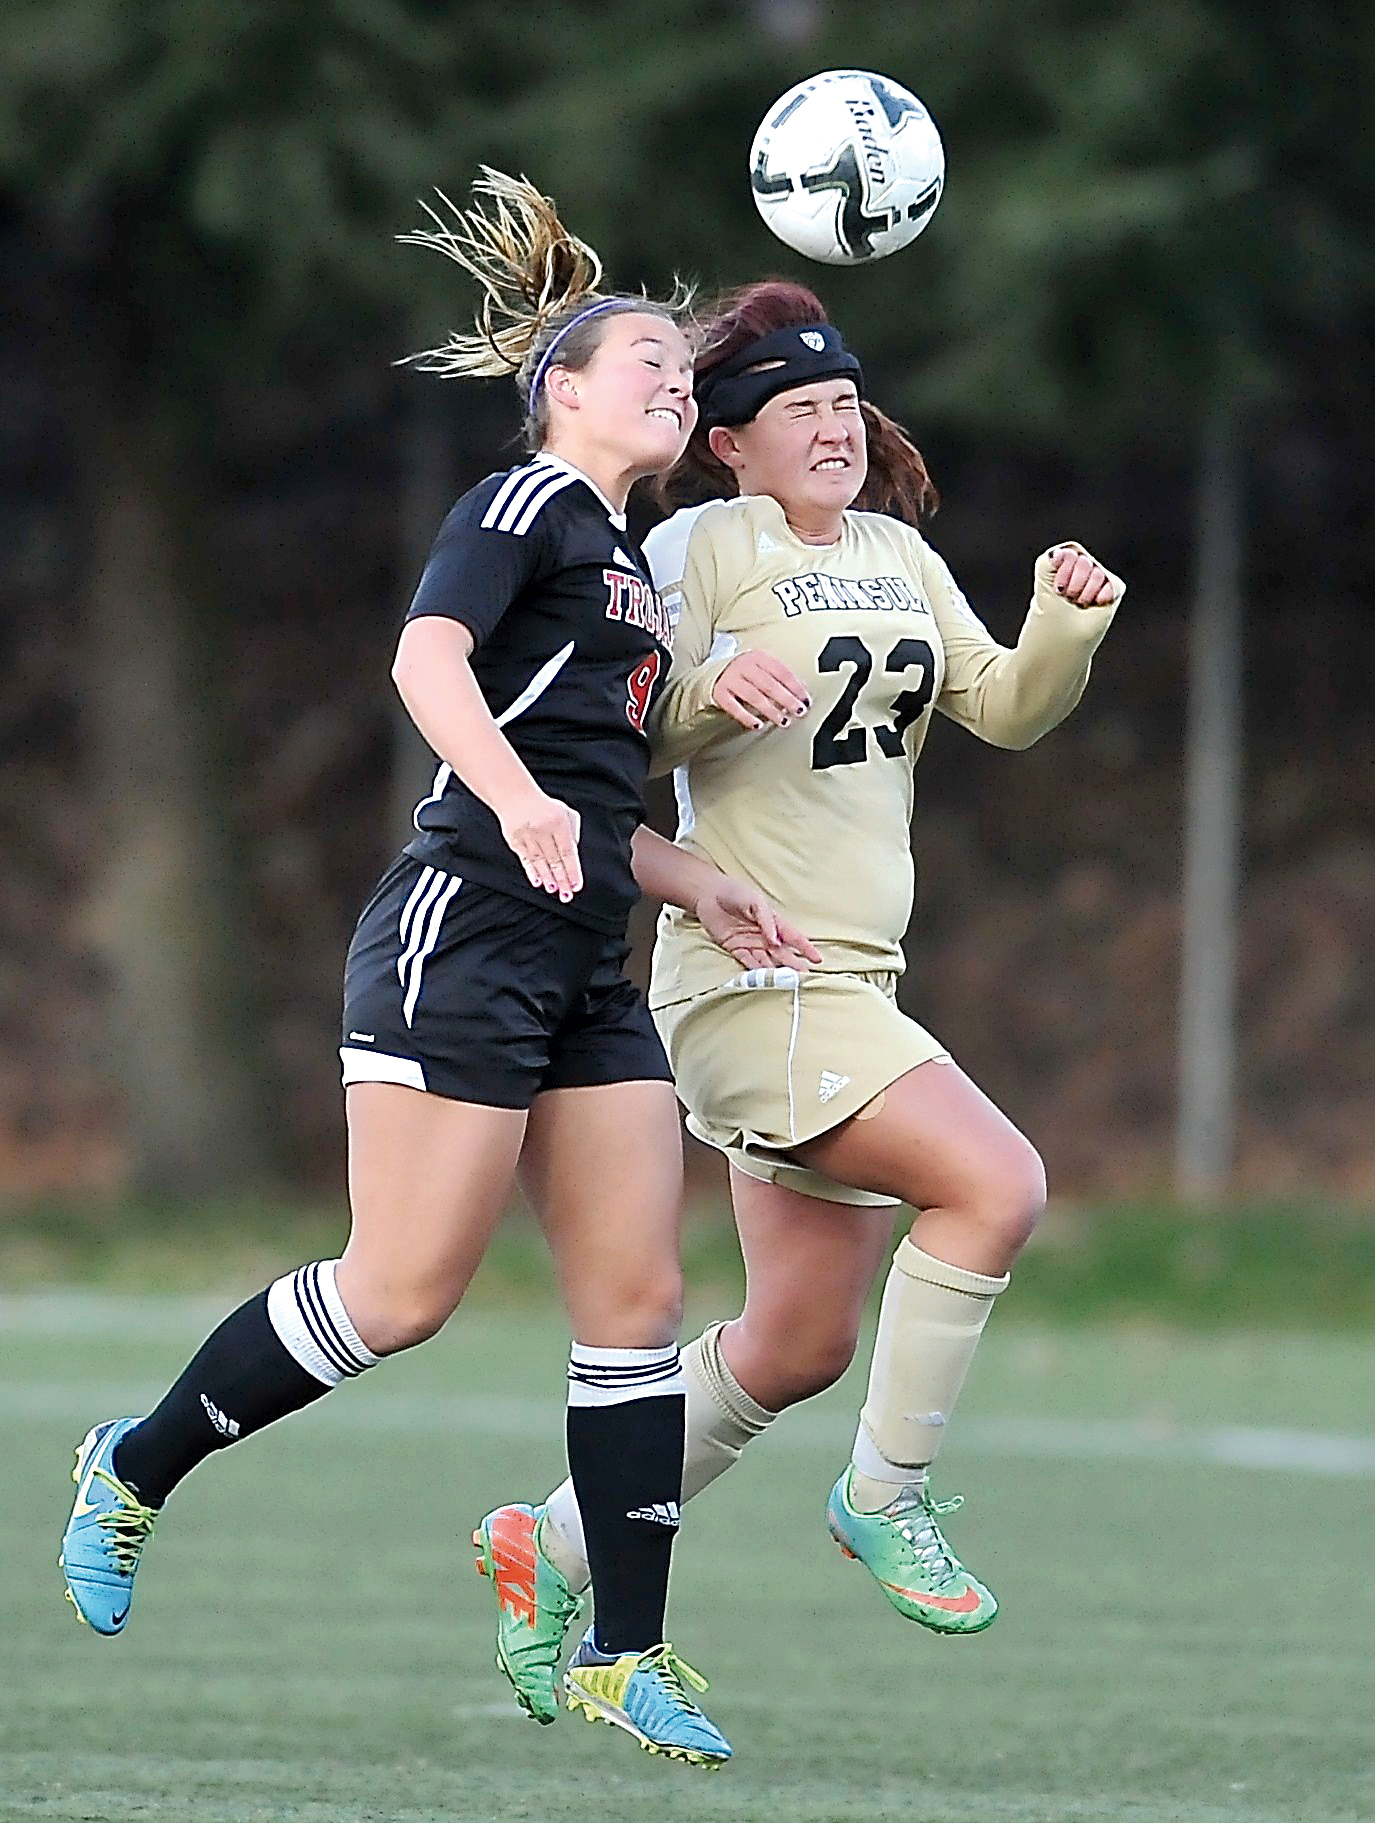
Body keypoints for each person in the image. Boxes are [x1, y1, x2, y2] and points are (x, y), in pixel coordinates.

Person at [57, 178, 816, 1772]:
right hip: (458, 932)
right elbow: (428, 664)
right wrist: (524, 801)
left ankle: (625, 1647)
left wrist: (699, 882)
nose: (678, 384)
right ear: (560, 391)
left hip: (584, 960)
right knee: (401, 1295)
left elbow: (593, 795)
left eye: (688, 370)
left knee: (636, 1305)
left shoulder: (625, 567)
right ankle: (132, 1466)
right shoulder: (524, 504)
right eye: (649, 367)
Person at [476, 278, 1124, 1714]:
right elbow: (617, 738)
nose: (832, 430)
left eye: (845, 406)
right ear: (728, 442)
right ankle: (885, 1497)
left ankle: (549, 1542)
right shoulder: (696, 545)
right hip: (752, 980)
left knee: (799, 1343)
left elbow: (1007, 708)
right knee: (997, 1183)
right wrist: (718, 694)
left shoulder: (894, 549)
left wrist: (1060, 623)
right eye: (797, 412)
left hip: (850, 983)